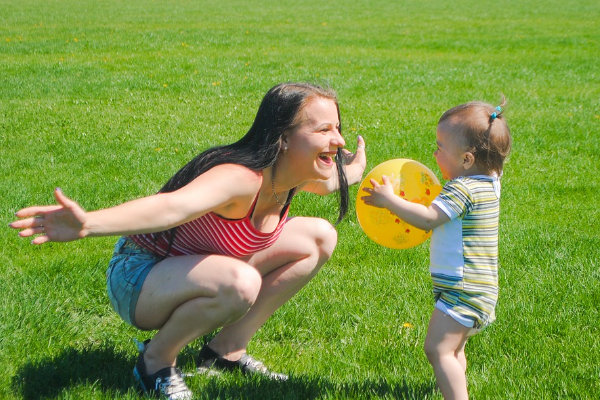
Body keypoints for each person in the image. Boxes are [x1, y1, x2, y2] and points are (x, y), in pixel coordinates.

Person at [10, 82, 367, 399]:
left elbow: (331, 182)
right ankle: (155, 363)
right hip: (139, 276)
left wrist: (354, 171)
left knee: (320, 236)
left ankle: (224, 352)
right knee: (240, 283)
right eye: (323, 130)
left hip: (196, 272)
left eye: (337, 128)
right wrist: (88, 223)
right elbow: (170, 207)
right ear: (284, 137)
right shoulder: (240, 179)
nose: (338, 140)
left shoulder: (291, 175)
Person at [361, 99, 511, 400]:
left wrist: (389, 199)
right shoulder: (490, 182)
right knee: (453, 349)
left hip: (462, 288)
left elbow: (429, 218)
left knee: (438, 349)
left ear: (467, 160)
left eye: (440, 147)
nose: (434, 153)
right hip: (479, 289)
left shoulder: (462, 189)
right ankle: (455, 386)